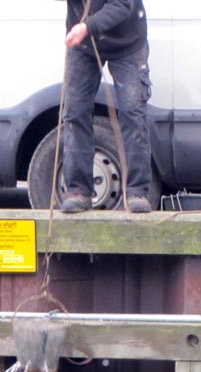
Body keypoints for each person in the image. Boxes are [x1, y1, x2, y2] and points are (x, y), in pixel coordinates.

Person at [60, 0, 153, 214]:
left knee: (133, 113)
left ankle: (137, 191)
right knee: (75, 112)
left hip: (126, 42)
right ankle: (78, 191)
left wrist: (86, 27)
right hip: (83, 44)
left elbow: (121, 4)